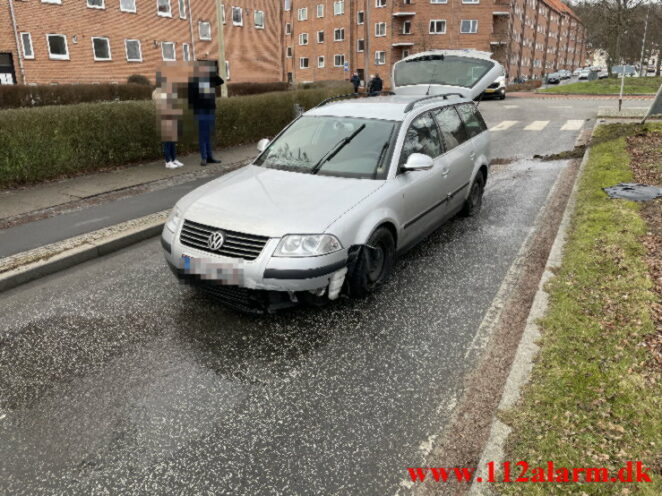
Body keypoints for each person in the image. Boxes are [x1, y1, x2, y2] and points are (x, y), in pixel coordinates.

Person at [188, 61, 224, 166]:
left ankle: (210, 157)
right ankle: (204, 157)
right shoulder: (193, 81)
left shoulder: (210, 79)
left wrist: (213, 72)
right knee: (203, 134)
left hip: (210, 109)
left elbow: (220, 81)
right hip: (201, 110)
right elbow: (190, 98)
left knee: (208, 134)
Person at [153, 73, 184, 169]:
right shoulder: (156, 92)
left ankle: (174, 159)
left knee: (173, 142)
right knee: (167, 142)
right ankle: (167, 161)